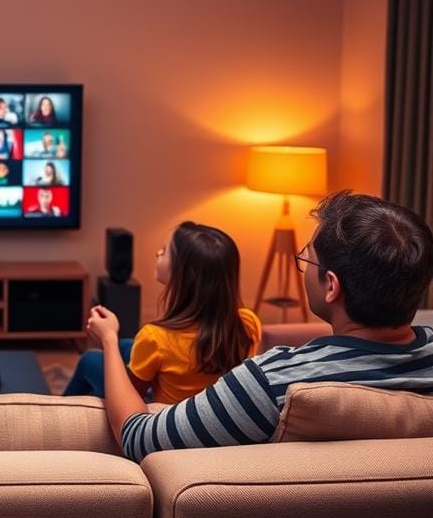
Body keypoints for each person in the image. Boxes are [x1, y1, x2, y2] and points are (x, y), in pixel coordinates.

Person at [90, 191, 433, 463]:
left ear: (331, 286)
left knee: (106, 357)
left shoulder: (269, 383)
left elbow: (138, 436)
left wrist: (107, 339)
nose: (303, 265)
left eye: (306, 259)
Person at [63, 222, 261, 405]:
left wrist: (108, 337)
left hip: (166, 416)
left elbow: (131, 398)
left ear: (182, 275)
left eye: (165, 251)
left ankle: (55, 412)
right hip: (208, 406)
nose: (158, 253)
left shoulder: (155, 338)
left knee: (90, 359)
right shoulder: (248, 322)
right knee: (127, 346)